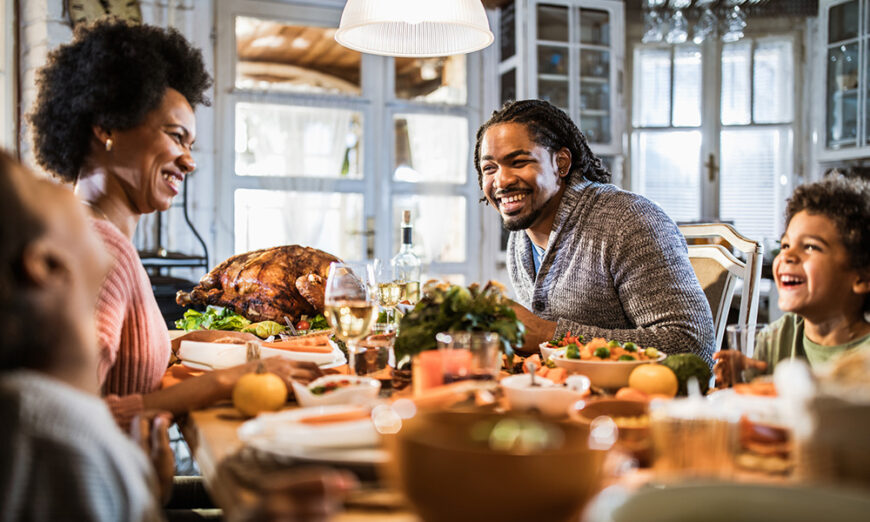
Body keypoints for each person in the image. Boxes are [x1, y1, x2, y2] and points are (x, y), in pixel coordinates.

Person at [0, 151, 355, 522]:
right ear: (44, 265)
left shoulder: (43, 416)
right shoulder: (56, 439)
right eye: (41, 187)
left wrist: (148, 491)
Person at [27, 20, 320, 429]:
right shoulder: (100, 252)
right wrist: (226, 380)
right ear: (106, 126)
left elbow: (113, 365)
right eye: (176, 136)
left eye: (190, 144)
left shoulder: (92, 237)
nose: (189, 160)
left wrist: (188, 341)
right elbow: (62, 423)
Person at [475, 99, 714, 363]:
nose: (502, 180)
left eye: (519, 162)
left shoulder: (628, 221)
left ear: (561, 163)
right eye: (489, 168)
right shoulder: (521, 237)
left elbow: (690, 345)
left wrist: (549, 334)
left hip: (640, 401)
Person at [714, 176, 870, 383]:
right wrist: (743, 377)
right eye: (786, 245)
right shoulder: (776, 338)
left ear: (862, 278)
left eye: (811, 247)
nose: (787, 256)